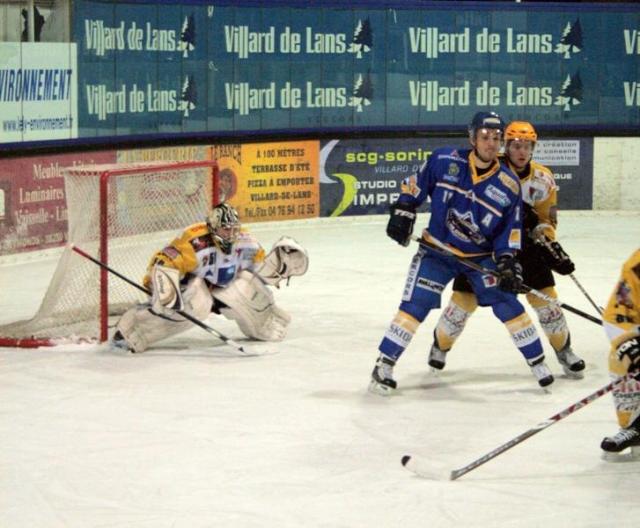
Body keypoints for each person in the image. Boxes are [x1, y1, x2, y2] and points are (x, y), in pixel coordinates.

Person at [370, 111, 552, 395]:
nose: (491, 144)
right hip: (436, 251)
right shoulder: (444, 160)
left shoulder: (508, 184)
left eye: (496, 138)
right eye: (484, 137)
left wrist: (506, 261)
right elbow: (413, 186)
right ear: (472, 138)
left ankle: (538, 361)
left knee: (507, 302)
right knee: (415, 305)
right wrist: (404, 209)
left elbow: (510, 231)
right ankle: (384, 364)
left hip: (478, 258)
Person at [428, 121, 585, 380]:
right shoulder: (492, 168)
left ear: (534, 148)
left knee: (547, 300)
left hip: (526, 249)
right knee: (462, 303)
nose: (521, 151)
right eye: (515, 145)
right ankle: (440, 346)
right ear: (506, 146)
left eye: (527, 146)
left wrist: (549, 244)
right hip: (485, 249)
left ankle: (564, 351)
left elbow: (547, 220)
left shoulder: (543, 178)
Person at [112, 202, 308, 353]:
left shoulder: (245, 241)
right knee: (199, 301)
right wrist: (165, 291)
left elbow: (257, 268)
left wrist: (279, 265)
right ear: (213, 227)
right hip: (188, 287)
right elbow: (163, 262)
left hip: (218, 289)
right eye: (225, 229)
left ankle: (263, 321)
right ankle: (131, 330)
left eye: (234, 229)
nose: (231, 234)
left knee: (243, 286)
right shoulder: (195, 243)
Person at [601, 248, 640, 457]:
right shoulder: (637, 266)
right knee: (621, 356)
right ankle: (635, 424)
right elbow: (617, 316)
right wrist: (633, 351)